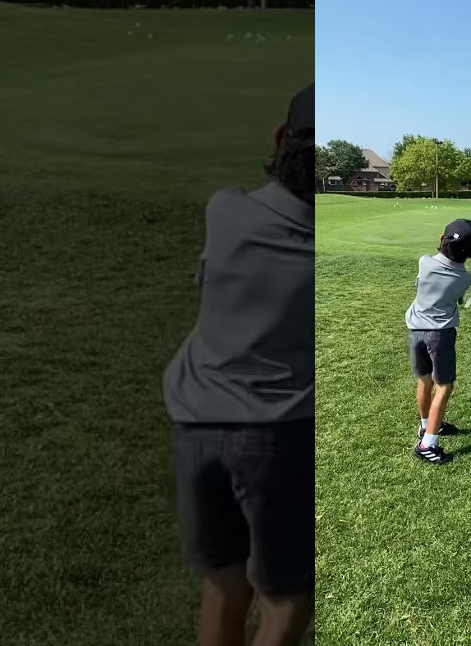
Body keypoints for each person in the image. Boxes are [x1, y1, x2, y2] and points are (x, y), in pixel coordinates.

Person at [163, 85, 315, 645]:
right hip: (276, 438)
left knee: (225, 585)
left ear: (280, 138)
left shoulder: (224, 209)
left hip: (196, 428)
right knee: (285, 599)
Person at [405, 219, 471, 465]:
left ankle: (427, 425)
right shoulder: (465, 279)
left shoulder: (424, 262)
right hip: (440, 335)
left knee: (424, 380)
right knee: (444, 387)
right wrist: (460, 300)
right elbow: (457, 297)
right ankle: (427, 444)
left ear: (441, 239)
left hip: (415, 330)